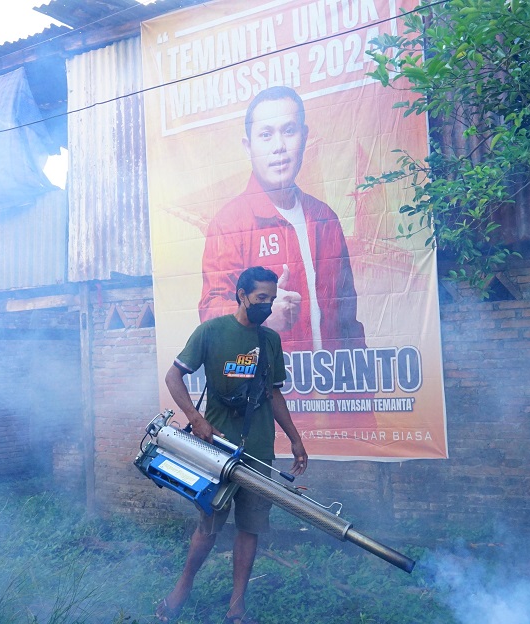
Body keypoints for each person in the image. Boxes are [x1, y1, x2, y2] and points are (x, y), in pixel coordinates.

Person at [157, 266, 309, 624]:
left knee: (250, 527)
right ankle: (183, 586)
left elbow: (273, 394)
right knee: (208, 528)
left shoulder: (270, 341)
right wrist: (196, 419)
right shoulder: (211, 332)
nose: (268, 306)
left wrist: (296, 437)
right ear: (241, 294)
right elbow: (173, 376)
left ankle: (236, 606)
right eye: (261, 299)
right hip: (217, 451)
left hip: (258, 451)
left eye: (272, 299)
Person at [199, 86, 366, 354]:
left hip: (335, 390)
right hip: (267, 391)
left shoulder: (326, 219)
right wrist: (259, 315)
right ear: (248, 146)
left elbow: (348, 321)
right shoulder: (229, 223)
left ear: (305, 137)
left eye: (289, 131)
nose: (279, 146)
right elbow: (210, 315)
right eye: (266, 135)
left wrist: (362, 389)